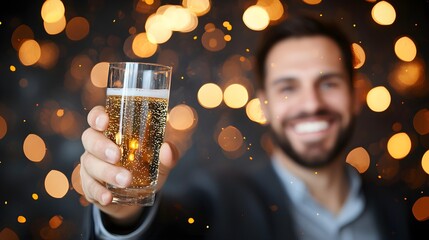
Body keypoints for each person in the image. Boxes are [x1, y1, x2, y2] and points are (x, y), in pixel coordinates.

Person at [80, 14, 417, 240]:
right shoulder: (216, 200)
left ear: (357, 95)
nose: (311, 104)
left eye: (328, 83)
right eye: (288, 87)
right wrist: (123, 215)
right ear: (264, 104)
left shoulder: (405, 211)